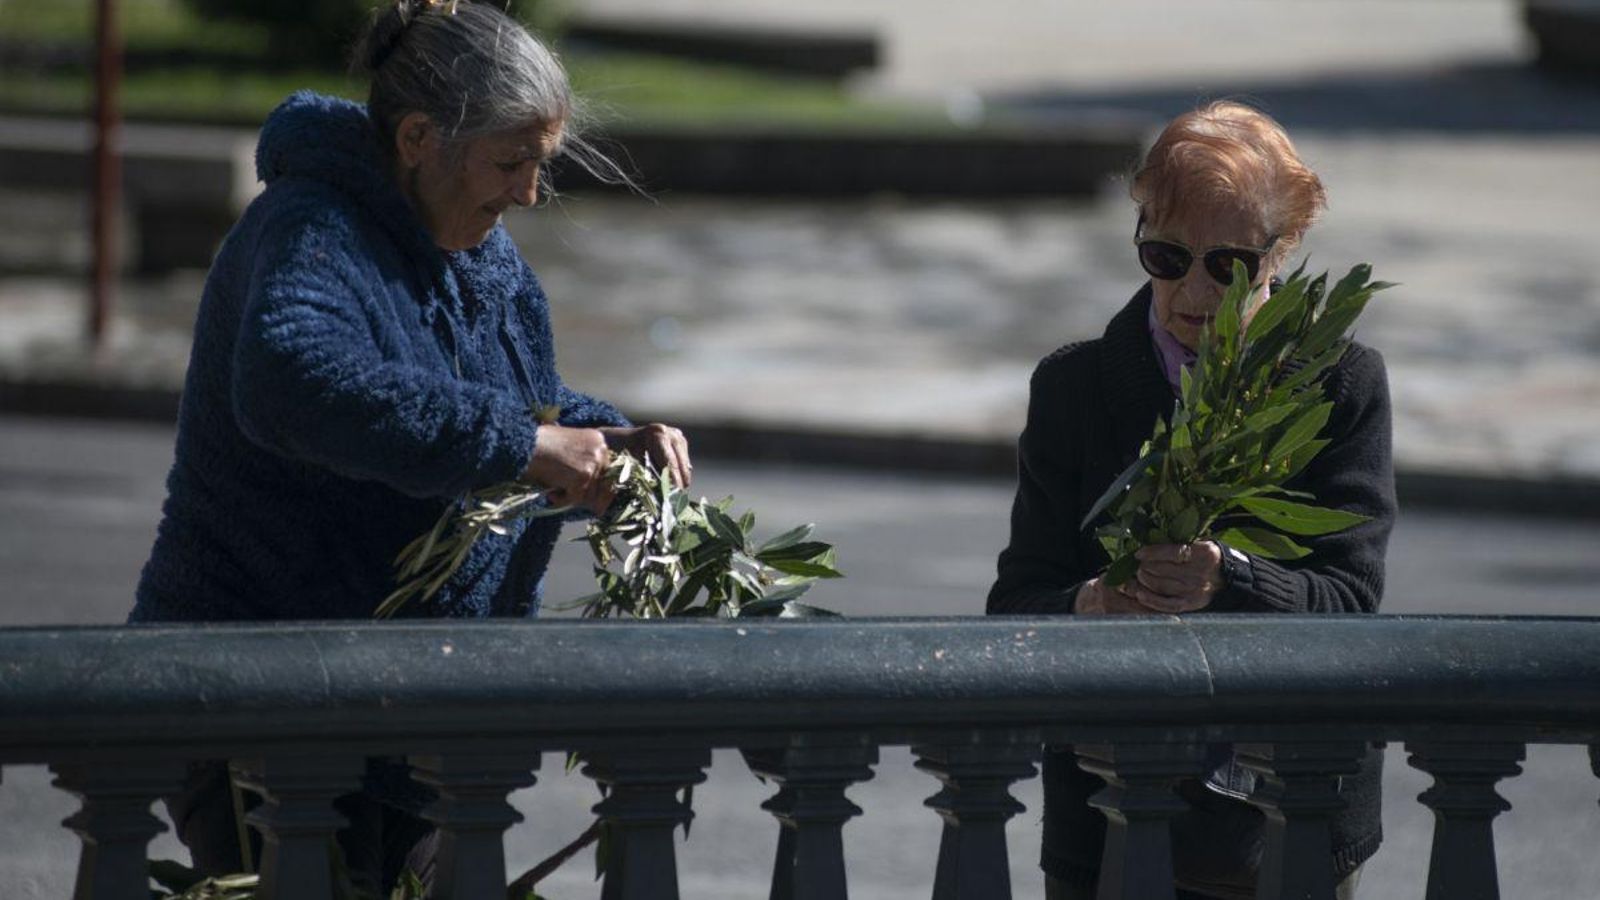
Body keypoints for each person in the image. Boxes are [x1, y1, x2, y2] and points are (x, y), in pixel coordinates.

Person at [130, 0, 691, 890]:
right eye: (510, 162)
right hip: (271, 703)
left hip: (414, 725)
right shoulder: (310, 228)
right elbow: (294, 379)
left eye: (540, 165)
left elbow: (514, 404)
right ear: (420, 137)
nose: (528, 193)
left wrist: (606, 440)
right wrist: (525, 445)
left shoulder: (490, 262)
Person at [986, 101, 1395, 900]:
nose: (1193, 290)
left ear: (1283, 250)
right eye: (1167, 257)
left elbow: (1350, 601)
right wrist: (1093, 603)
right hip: (1106, 820)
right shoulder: (1072, 385)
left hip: (1291, 822)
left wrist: (1230, 577)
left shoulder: (1342, 385)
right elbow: (1015, 607)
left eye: (1228, 265)